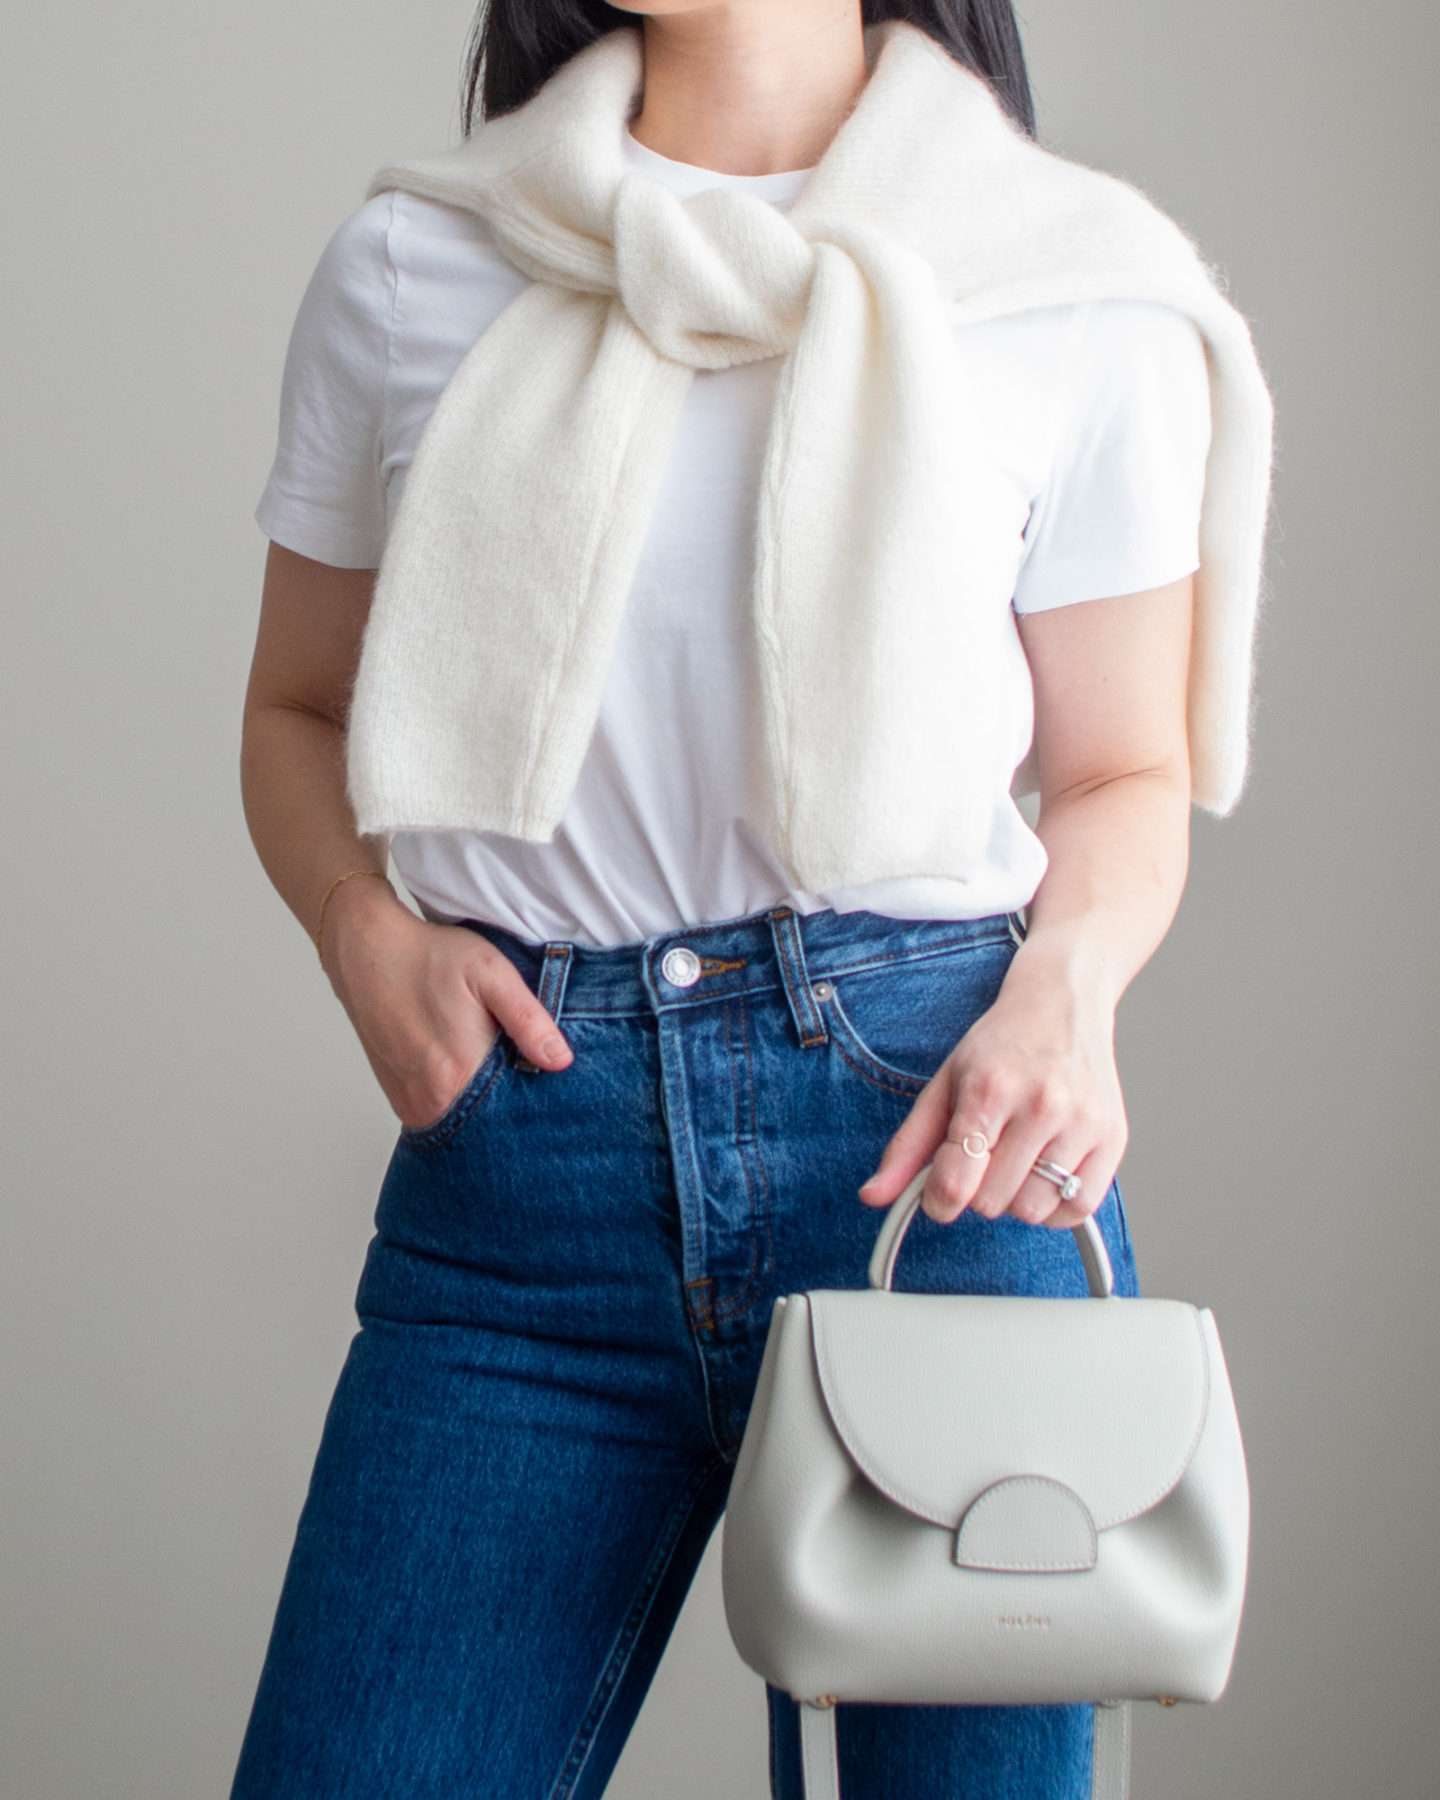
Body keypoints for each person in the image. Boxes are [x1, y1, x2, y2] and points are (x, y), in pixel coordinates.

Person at [231, 2, 1270, 1796]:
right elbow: (294, 707)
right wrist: (361, 929)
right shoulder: (420, 258)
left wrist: (1068, 996)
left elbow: (1121, 773)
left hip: (940, 1146)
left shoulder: (1067, 279)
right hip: (526, 1171)